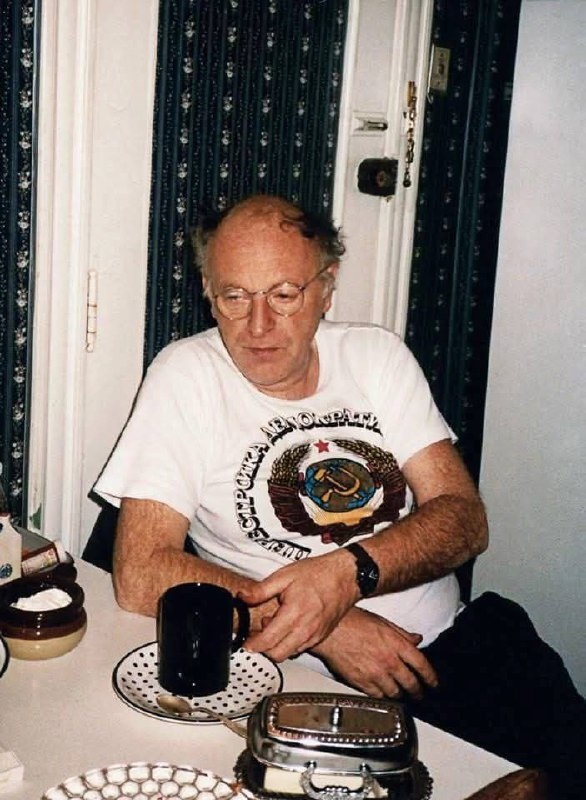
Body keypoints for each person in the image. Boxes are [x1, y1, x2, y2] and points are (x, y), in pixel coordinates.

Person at [94, 195, 585, 798]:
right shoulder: (186, 376)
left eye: (284, 294)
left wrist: (346, 577)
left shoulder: (375, 356)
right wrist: (323, 624)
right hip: (300, 681)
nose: (257, 325)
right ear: (207, 292)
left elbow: (464, 520)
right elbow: (141, 572)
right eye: (234, 296)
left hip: (455, 651)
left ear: (326, 288)